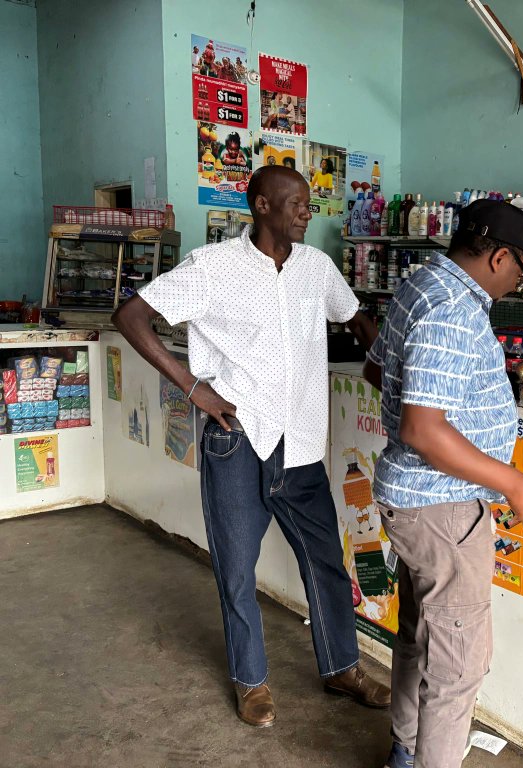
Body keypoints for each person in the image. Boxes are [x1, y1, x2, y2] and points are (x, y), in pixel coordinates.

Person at [112, 165, 390, 728]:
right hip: (237, 441)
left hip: (300, 443)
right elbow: (130, 316)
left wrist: (392, 371)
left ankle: (342, 668)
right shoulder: (212, 267)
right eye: (297, 204)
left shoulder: (317, 267)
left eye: (309, 204)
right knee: (237, 570)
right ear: (262, 206)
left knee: (327, 563)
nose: (308, 212)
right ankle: (251, 680)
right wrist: (193, 387)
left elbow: (357, 321)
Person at [363, 200, 523, 768]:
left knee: (420, 635)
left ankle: (406, 750)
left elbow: (377, 368)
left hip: (414, 500)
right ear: (500, 258)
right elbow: (423, 430)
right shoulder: (453, 308)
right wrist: (516, 484)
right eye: (521, 271)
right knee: (458, 667)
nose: (518, 283)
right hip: (441, 507)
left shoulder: (420, 284)